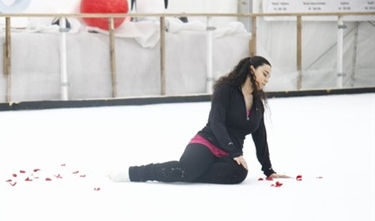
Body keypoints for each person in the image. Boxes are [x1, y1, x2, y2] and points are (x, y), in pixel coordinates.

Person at [109, 55, 290, 184]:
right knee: (185, 171)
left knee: (239, 174)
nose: (267, 79)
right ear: (252, 69)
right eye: (265, 73)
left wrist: (268, 170)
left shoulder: (257, 101)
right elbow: (216, 123)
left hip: (228, 154)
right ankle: (133, 173)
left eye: (269, 76)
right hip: (207, 143)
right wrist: (234, 151)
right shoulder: (226, 89)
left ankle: (194, 171)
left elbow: (260, 136)